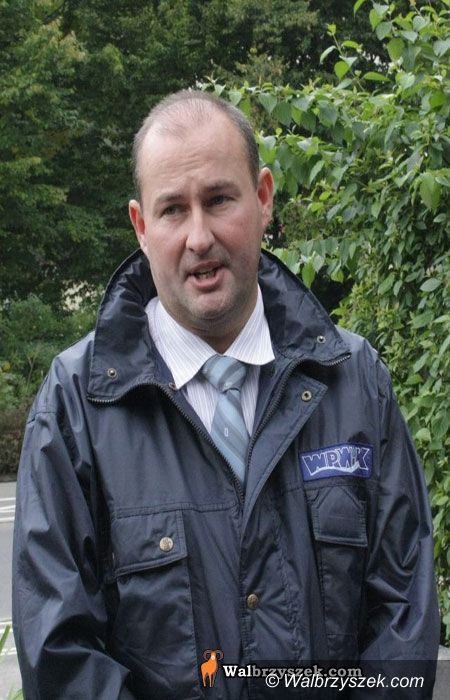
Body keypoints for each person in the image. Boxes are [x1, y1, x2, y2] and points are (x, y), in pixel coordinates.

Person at [13, 90, 439, 699]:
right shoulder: (75, 408)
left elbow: (404, 613)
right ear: (140, 226)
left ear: (263, 198)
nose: (199, 237)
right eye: (172, 210)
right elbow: (61, 656)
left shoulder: (353, 381)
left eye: (218, 200)